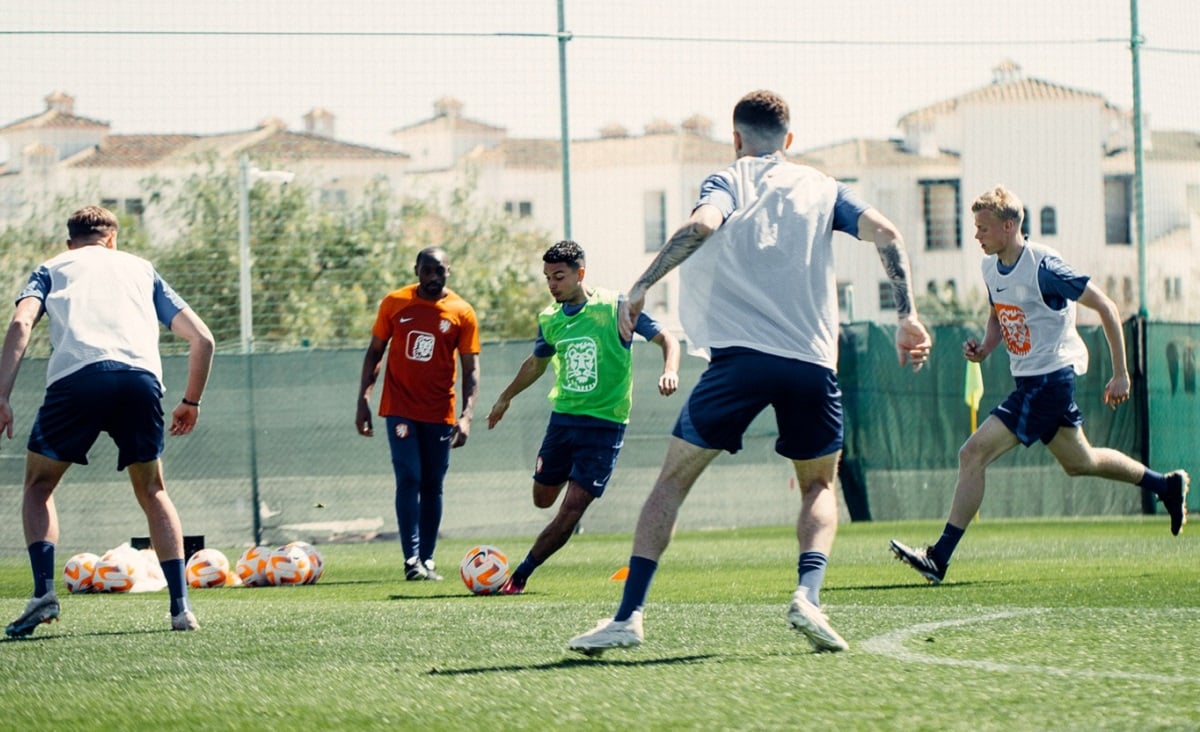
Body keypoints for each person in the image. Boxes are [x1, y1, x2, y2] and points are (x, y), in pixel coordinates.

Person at [566, 90, 932, 656]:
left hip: (739, 362)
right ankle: (808, 596)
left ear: (736, 138)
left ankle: (629, 616)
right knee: (817, 485)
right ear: (789, 140)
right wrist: (907, 315)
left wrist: (641, 286)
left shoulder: (728, 178)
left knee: (671, 483)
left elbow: (703, 227)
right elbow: (889, 235)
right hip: (811, 362)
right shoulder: (822, 186)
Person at [890, 185, 1189, 584]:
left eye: (983, 227)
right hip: (1032, 380)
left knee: (972, 453)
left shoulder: (1045, 267)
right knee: (1080, 461)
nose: (976, 235)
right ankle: (1166, 485)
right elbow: (1000, 314)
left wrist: (1121, 373)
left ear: (1009, 226)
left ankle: (938, 557)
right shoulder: (989, 267)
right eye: (976, 227)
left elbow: (1107, 307)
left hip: (1050, 381)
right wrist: (985, 347)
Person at [1, 205, 215, 637]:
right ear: (112, 239)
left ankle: (44, 593)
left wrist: (1, 394)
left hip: (76, 379)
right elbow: (203, 338)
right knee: (153, 490)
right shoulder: (142, 269)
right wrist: (190, 400)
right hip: (139, 380)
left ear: (70, 243)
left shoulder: (52, 268)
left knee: (39, 486)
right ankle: (181, 608)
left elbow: (22, 322)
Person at [486, 240, 680, 595]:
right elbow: (536, 363)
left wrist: (670, 370)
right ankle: (566, 488)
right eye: (547, 277)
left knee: (571, 509)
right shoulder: (550, 319)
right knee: (542, 499)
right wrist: (505, 397)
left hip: (605, 428)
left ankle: (521, 575)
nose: (552, 284)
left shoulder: (616, 308)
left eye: (559, 276)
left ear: (580, 274)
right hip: (563, 423)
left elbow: (668, 338)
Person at [356, 246, 480, 582]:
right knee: (408, 476)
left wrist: (466, 416)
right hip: (399, 408)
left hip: (440, 411)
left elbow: (470, 370)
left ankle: (428, 559)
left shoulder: (462, 312)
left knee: (433, 484)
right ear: (416, 271)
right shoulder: (395, 303)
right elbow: (374, 353)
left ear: (448, 272)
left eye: (439, 270)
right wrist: (363, 400)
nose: (432, 277)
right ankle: (411, 559)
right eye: (427, 270)